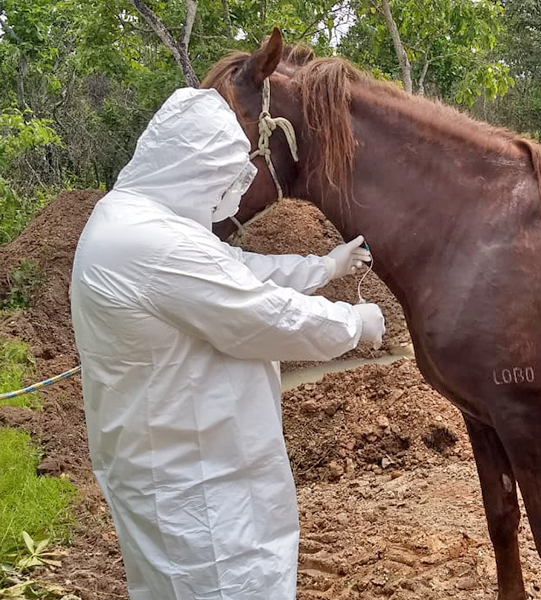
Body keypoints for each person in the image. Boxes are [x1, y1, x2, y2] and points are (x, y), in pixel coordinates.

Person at [69, 87, 385, 600]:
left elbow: (234, 271)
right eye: (222, 179)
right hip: (198, 487)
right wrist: (354, 322)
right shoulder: (154, 244)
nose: (228, 194)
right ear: (193, 168)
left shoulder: (134, 220)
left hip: (177, 463)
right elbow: (261, 316)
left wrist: (325, 267)